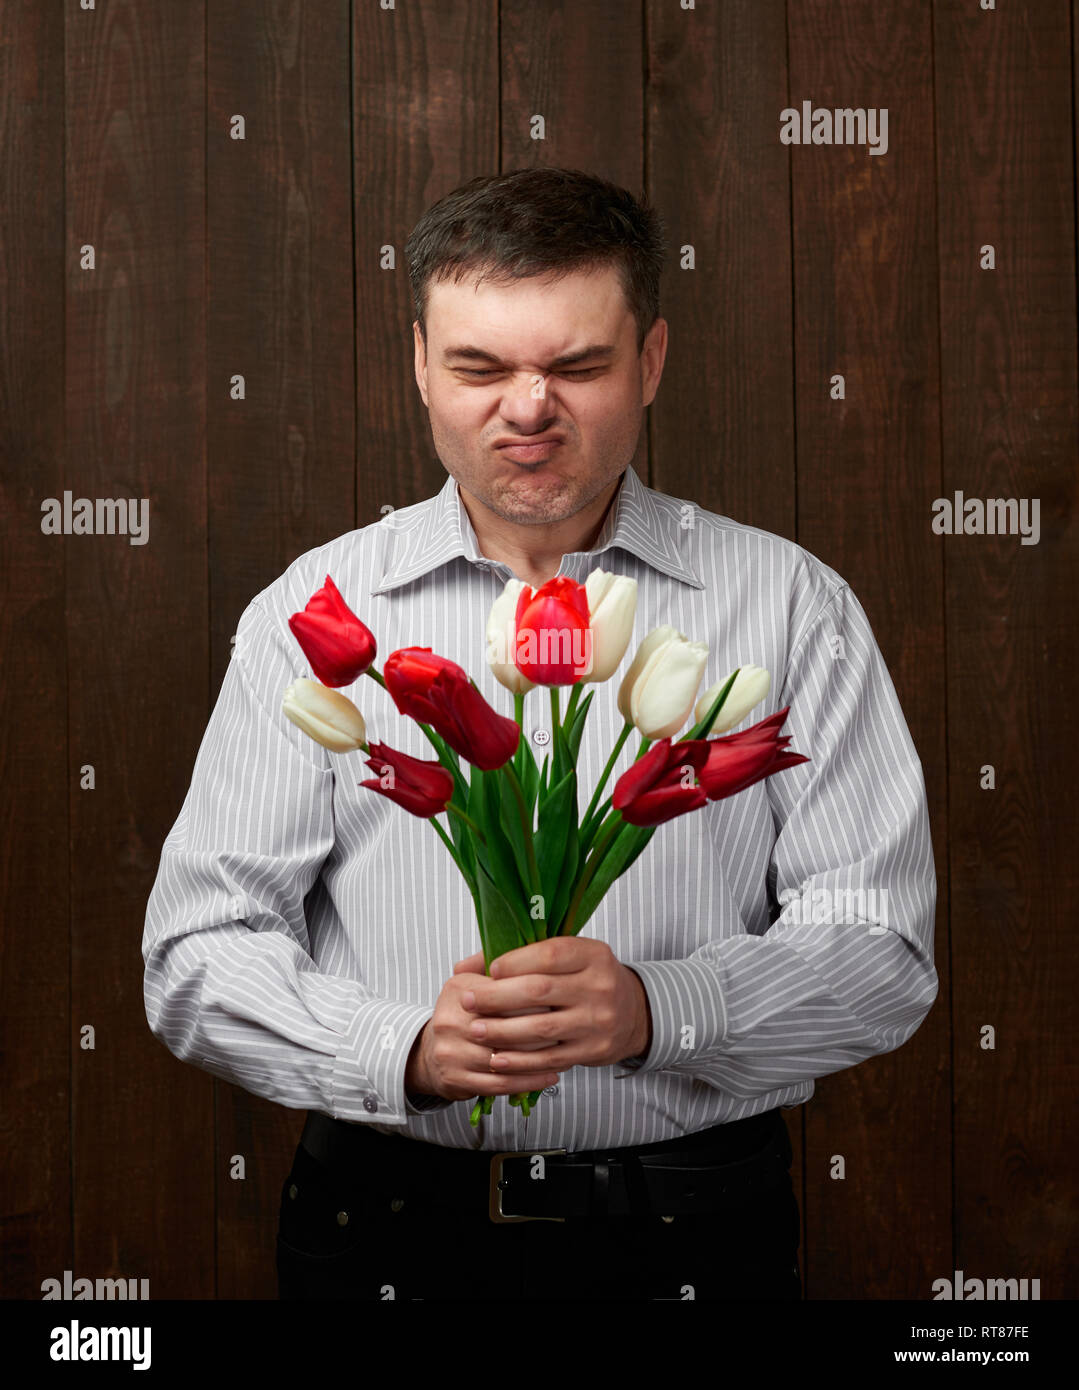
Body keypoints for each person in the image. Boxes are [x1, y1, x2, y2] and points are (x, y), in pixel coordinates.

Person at [141, 166, 938, 1301]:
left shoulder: (790, 605)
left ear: (650, 360)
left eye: (576, 364)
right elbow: (193, 952)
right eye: (478, 366)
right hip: (385, 1235)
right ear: (419, 362)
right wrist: (400, 1047)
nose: (527, 405)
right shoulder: (311, 615)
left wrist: (661, 1008)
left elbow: (883, 955)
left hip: (691, 1236)